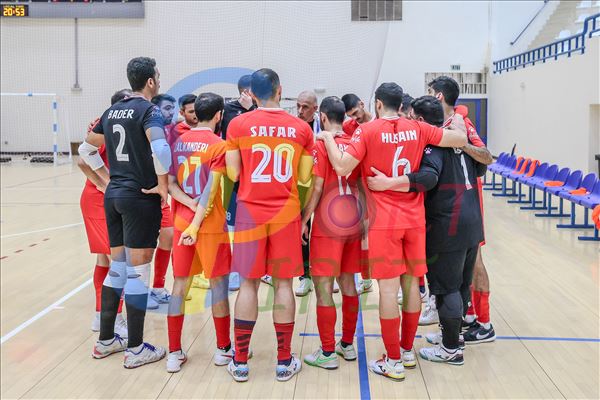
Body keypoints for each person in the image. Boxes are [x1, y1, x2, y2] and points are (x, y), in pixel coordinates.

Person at [317, 82, 467, 381]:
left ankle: (393, 360)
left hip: (384, 221)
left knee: (388, 290)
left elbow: (343, 167)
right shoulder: (419, 128)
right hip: (415, 219)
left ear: (378, 104)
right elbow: (459, 139)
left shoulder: (367, 131)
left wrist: (328, 139)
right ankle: (407, 351)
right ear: (401, 105)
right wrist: (460, 117)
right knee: (412, 286)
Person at [367, 95, 486, 365]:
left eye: (411, 117)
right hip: (472, 221)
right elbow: (482, 166)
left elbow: (429, 178)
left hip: (448, 224)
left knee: (446, 289)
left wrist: (390, 183)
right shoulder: (461, 143)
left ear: (420, 120)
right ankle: (453, 337)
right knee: (460, 285)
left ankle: (450, 349)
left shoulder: (433, 147)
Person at [225, 68, 313, 382]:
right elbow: (304, 177)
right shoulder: (301, 128)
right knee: (284, 284)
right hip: (286, 214)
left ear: (251, 94)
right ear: (280, 90)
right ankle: (284, 361)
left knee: (248, 285)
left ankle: (240, 362)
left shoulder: (237, 124)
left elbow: (233, 174)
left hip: (249, 212)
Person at [80, 56, 169, 368]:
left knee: (117, 269)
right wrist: (162, 185)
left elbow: (85, 149)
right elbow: (160, 148)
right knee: (137, 273)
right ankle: (136, 349)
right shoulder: (148, 110)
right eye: (158, 76)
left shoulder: (112, 110)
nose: (159, 80)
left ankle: (105, 341)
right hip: (139, 198)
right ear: (150, 81)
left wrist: (107, 179)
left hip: (114, 196)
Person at [165, 92, 234, 373]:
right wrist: (197, 217)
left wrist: (187, 204)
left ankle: (174, 353)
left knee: (179, 286)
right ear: (219, 115)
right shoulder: (219, 145)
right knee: (218, 287)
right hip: (209, 226)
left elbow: (170, 185)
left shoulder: (178, 142)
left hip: (182, 223)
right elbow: (211, 190)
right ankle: (223, 350)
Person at [426, 76, 496, 343]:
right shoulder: (440, 125)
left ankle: (485, 323)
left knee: (475, 262)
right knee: (459, 271)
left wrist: (460, 143)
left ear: (439, 96)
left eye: (430, 91)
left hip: (468, 203)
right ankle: (465, 319)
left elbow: (487, 156)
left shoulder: (461, 123)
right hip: (449, 208)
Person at [301, 96, 361, 369]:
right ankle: (347, 344)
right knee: (348, 284)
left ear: (322, 117)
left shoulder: (321, 144)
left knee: (324, 287)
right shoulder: (355, 142)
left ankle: (327, 351)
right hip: (353, 221)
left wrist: (304, 219)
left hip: (328, 224)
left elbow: (316, 188)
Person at [78, 89, 131, 338]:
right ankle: (114, 319)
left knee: (104, 260)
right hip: (98, 201)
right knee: (118, 262)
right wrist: (105, 183)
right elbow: (82, 159)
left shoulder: (113, 123)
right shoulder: (105, 125)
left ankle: (100, 315)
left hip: (104, 201)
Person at [221, 74, 257, 292]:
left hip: (257, 182)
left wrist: (251, 109)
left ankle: (261, 268)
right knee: (233, 229)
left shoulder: (260, 110)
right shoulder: (228, 111)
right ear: (245, 92)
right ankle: (234, 271)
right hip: (234, 181)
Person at [340, 93, 374, 295]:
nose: (355, 118)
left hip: (381, 185)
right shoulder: (347, 127)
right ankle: (366, 278)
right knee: (362, 234)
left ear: (362, 104)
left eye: (355, 113)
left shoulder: (379, 123)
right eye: (350, 115)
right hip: (358, 187)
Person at [148, 94, 178, 310]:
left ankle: (158, 287)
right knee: (142, 248)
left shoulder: (173, 129)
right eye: (167, 108)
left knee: (168, 236)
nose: (171, 112)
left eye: (172, 108)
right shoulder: (146, 128)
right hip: (143, 193)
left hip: (162, 193)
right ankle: (136, 291)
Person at [294, 90, 320, 296]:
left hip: (323, 184)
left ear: (315, 109)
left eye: (305, 107)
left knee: (325, 231)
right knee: (303, 230)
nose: (300, 111)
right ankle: (305, 276)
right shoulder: (292, 127)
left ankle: (326, 272)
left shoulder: (324, 126)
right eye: (298, 106)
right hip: (301, 186)